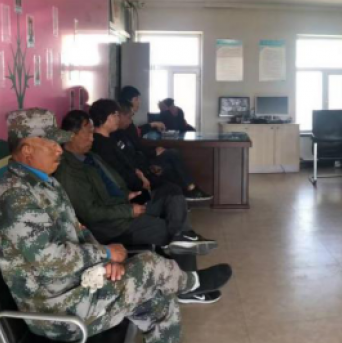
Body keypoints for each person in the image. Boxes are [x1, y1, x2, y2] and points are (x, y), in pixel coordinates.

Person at [0, 108, 232, 343]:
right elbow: (51, 261)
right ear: (27, 151)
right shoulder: (16, 198)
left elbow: (79, 231)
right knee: (149, 265)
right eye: (51, 144)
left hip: (79, 287)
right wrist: (103, 254)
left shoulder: (44, 184)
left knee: (159, 299)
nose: (59, 149)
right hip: (58, 312)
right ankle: (190, 284)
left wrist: (103, 264)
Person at [56, 111, 220, 305]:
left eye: (93, 132)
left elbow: (111, 184)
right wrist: (128, 210)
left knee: (173, 197)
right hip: (113, 224)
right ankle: (186, 287)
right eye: (88, 133)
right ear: (71, 135)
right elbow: (90, 213)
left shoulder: (90, 157)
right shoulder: (69, 170)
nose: (92, 138)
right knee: (170, 230)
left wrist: (127, 195)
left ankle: (183, 253)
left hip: (123, 205)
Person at [118, 101, 211, 201]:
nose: (130, 121)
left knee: (172, 157)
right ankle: (188, 190)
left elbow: (137, 147)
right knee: (171, 160)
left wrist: (154, 150)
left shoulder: (126, 130)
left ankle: (186, 192)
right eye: (129, 117)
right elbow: (132, 154)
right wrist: (153, 153)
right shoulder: (118, 135)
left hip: (143, 161)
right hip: (142, 166)